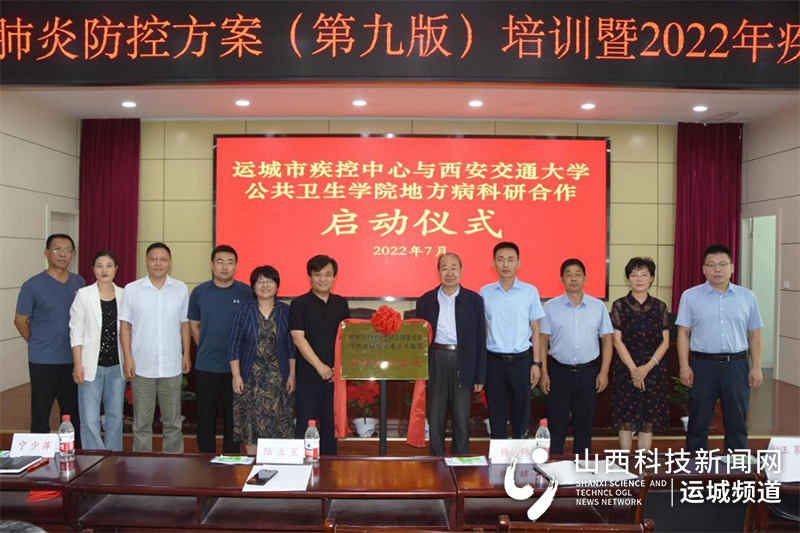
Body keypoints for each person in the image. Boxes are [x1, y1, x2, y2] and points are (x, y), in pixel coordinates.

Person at [676, 244, 763, 453]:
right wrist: (684, 366)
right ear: (703, 269)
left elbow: (755, 334)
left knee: (737, 421)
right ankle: (695, 467)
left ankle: (736, 468)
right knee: (698, 421)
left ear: (732, 267)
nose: (717, 269)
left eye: (723, 264)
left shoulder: (747, 297)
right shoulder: (690, 296)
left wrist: (757, 366)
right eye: (711, 265)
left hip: (736, 365)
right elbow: (683, 333)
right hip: (702, 365)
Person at [119, 242, 191, 453]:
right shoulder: (132, 289)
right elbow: (125, 327)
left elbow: (184, 324)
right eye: (153, 259)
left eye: (163, 259)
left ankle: (173, 465)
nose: (158, 263)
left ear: (170, 262)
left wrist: (186, 354)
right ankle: (141, 467)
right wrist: (128, 358)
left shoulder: (180, 289)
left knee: (173, 423)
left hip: (171, 365)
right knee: (141, 424)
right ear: (146, 261)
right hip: (142, 366)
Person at [14, 234, 85, 445]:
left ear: (73, 254)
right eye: (57, 249)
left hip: (72, 360)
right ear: (46, 252)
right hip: (43, 361)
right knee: (41, 414)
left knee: (72, 414)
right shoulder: (32, 285)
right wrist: (37, 341)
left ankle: (74, 455)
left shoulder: (79, 282)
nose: (62, 254)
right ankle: (38, 458)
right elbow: (20, 320)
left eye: (67, 250)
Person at [540, 258, 613, 455]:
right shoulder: (550, 307)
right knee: (556, 425)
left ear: (585, 278)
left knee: (585, 426)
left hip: (588, 373)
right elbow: (543, 340)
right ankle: (554, 466)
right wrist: (544, 372)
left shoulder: (598, 306)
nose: (573, 279)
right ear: (561, 279)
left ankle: (582, 468)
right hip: (559, 372)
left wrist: (604, 372)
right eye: (568, 274)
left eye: (578, 274)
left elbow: (607, 340)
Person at [415, 253, 486, 455]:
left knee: (461, 417)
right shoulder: (426, 300)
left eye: (454, 268)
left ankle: (460, 460)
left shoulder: (474, 300)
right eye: (444, 268)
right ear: (438, 272)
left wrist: (480, 376)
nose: (449, 273)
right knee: (435, 416)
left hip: (463, 360)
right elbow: (419, 340)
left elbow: (480, 339)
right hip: (436, 359)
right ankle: (435, 460)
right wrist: (421, 371)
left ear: (461, 271)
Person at [188, 245, 252, 454]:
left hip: (237, 370)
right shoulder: (200, 292)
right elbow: (194, 325)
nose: (225, 267)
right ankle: (205, 461)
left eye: (230, 262)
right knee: (205, 418)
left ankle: (230, 461)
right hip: (206, 366)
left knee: (233, 420)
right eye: (220, 262)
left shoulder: (246, 292)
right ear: (211, 265)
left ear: (236, 266)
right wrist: (207, 345)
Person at [480, 242, 545, 440]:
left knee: (522, 413)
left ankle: (521, 456)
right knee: (496, 413)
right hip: (494, 362)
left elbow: (536, 329)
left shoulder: (530, 291)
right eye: (500, 260)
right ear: (493, 264)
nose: (505, 264)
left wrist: (536, 364)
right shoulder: (485, 292)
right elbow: (483, 329)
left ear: (518, 263)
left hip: (522, 361)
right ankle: (498, 456)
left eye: (510, 260)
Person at [229, 265, 297, 455]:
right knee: (251, 424)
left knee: (280, 422)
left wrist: (292, 375)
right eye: (260, 281)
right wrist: (236, 375)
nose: (265, 285)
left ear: (277, 286)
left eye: (269, 281)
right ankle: (254, 465)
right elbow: (234, 344)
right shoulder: (244, 310)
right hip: (250, 378)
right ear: (253, 286)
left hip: (279, 378)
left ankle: (279, 467)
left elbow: (292, 347)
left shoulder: (286, 311)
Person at [290, 255, 350, 455]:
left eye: (328, 275)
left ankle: (330, 469)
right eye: (318, 275)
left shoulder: (341, 303)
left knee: (331, 427)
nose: (323, 279)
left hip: (335, 377)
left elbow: (346, 337)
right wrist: (320, 367)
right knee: (306, 425)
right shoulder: (299, 304)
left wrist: (337, 368)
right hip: (308, 376)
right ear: (310, 277)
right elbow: (298, 338)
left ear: (334, 277)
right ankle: (302, 468)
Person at [610, 257, 670, 451]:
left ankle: (643, 463)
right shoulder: (619, 305)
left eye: (644, 275)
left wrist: (647, 368)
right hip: (626, 369)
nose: (639, 279)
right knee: (625, 419)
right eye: (634, 275)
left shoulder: (660, 307)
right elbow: (617, 341)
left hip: (653, 369)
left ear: (651, 278)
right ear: (628, 278)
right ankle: (624, 462)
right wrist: (635, 371)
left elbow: (665, 341)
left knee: (647, 419)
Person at [69, 250, 125, 451]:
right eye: (99, 265)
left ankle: (113, 457)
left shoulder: (124, 294)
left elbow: (128, 331)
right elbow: (76, 332)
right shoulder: (83, 294)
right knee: (89, 417)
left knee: (115, 416)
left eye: (109, 265)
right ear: (93, 269)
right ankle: (95, 458)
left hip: (117, 366)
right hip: (89, 365)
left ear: (116, 269)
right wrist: (77, 364)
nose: (104, 270)